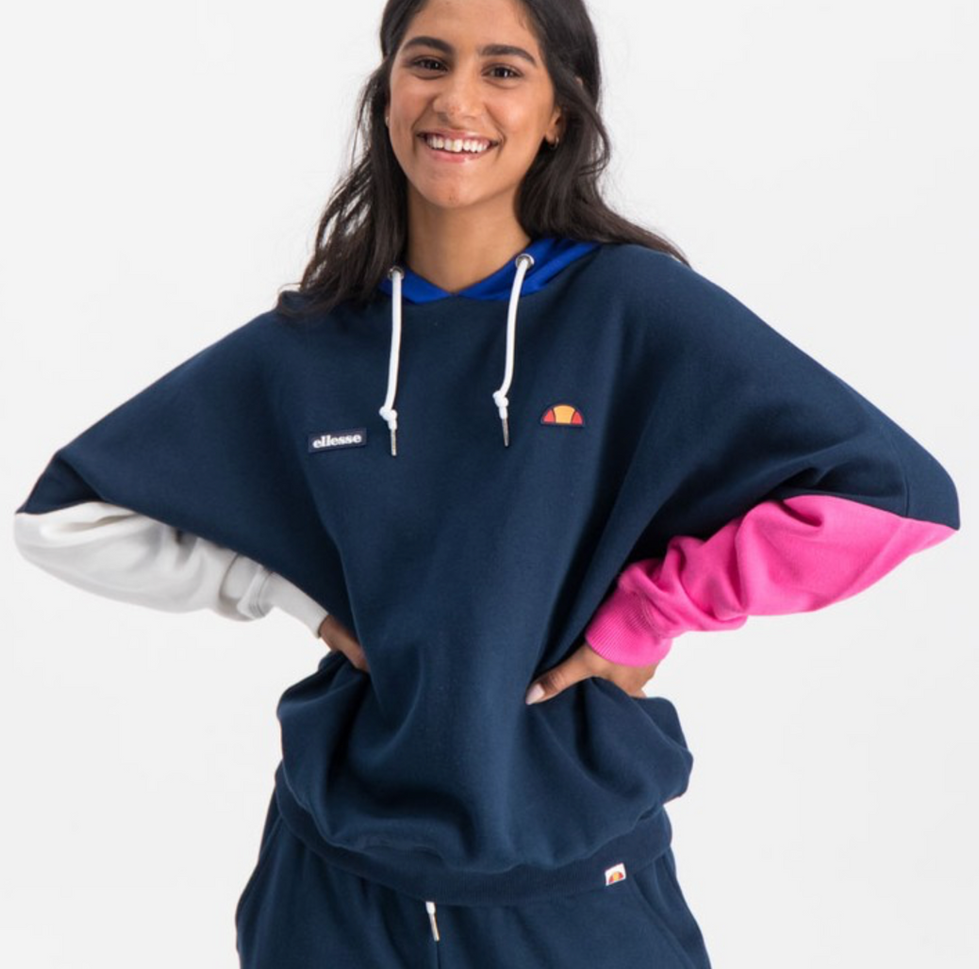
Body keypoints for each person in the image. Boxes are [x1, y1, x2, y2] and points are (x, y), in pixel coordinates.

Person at [12, 0, 960, 966]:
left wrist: (649, 612)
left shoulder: (629, 309)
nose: (455, 99)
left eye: (502, 70)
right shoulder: (312, 344)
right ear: (387, 90)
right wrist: (284, 592)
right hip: (329, 887)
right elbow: (62, 515)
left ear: (558, 113)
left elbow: (893, 496)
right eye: (428, 62)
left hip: (570, 888)